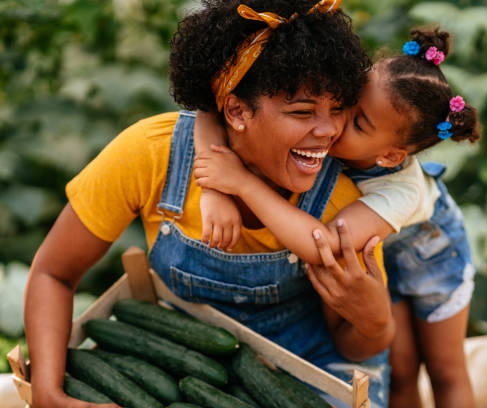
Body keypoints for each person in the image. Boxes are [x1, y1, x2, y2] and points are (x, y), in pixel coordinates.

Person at [23, 1, 396, 407]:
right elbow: (53, 274)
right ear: (236, 110)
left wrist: (376, 322)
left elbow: (356, 346)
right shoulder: (150, 155)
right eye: (303, 111)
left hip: (313, 370)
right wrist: (47, 391)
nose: (328, 131)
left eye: (338, 109)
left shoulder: (343, 205)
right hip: (192, 365)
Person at [193, 28, 481, 407]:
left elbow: (326, 244)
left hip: (432, 252)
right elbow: (208, 109)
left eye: (358, 122)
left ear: (391, 156)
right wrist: (213, 189)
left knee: (445, 370)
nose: (334, 122)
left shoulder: (402, 190)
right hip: (376, 253)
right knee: (402, 366)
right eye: (346, 101)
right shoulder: (330, 131)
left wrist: (244, 185)